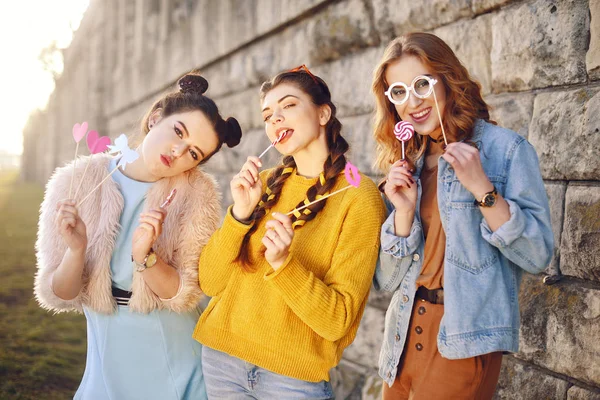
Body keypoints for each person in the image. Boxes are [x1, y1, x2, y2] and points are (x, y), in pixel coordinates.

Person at [34, 72, 242, 399]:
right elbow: (60, 293)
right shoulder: (78, 181)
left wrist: (145, 257)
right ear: (155, 117)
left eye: (193, 153)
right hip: (106, 340)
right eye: (178, 131)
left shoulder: (196, 194)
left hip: (171, 346)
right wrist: (76, 250)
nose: (177, 151)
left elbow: (183, 294)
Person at [371, 33, 554, 399]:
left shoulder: (507, 151)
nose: (413, 101)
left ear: (447, 78)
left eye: (422, 84)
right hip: (403, 332)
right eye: (399, 92)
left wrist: (482, 188)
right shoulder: (409, 164)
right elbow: (385, 281)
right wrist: (404, 213)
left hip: (465, 337)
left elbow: (537, 255)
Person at [194, 65, 386, 399]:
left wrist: (284, 265)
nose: (275, 119)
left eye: (288, 105)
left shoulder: (358, 196)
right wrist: (239, 214)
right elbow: (210, 283)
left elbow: (337, 321)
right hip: (222, 359)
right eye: (268, 115)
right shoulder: (264, 184)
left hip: (292, 379)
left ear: (323, 113)